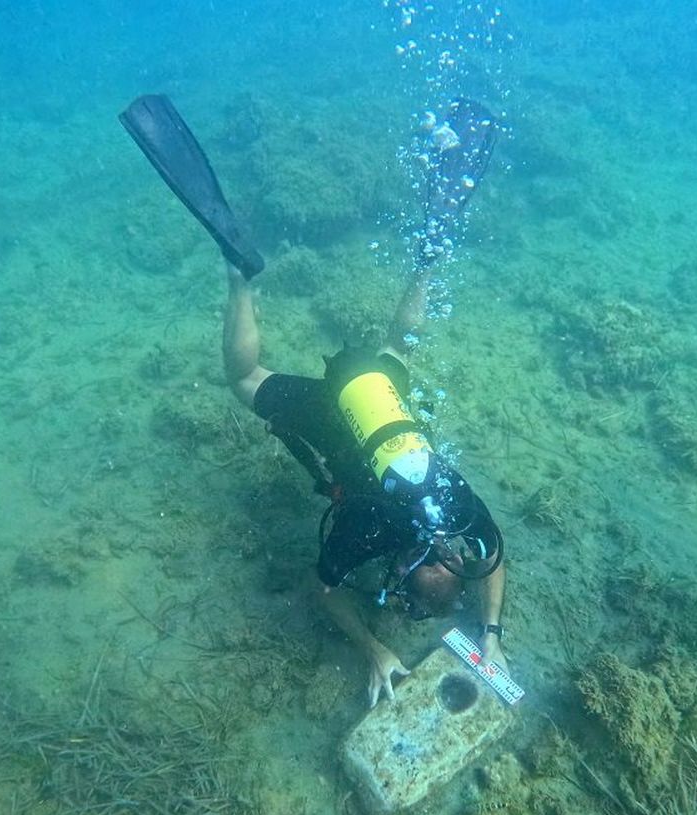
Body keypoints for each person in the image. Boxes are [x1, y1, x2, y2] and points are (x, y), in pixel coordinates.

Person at [120, 94, 507, 707]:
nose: (402, 607)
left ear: (446, 550)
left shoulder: (451, 501)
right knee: (243, 375)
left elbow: (492, 555)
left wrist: (491, 633)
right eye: (409, 600)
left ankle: (427, 262)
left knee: (399, 347)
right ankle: (237, 274)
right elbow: (321, 587)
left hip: (375, 398)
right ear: (411, 565)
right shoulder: (364, 531)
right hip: (333, 416)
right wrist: (373, 647)